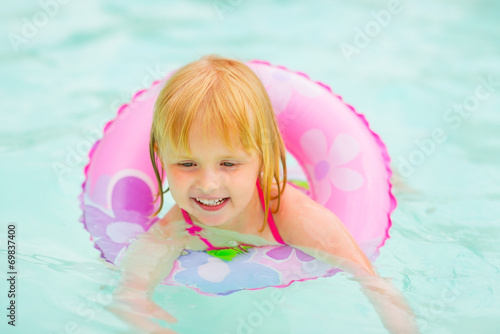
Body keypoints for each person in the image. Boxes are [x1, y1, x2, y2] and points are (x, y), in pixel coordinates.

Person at [107, 55, 420, 334]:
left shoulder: (292, 216)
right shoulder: (176, 227)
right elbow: (129, 294)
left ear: (261, 157)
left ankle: (391, 177)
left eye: (228, 163)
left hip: (304, 190)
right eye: (187, 164)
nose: (208, 184)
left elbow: (373, 282)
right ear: (162, 159)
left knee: (395, 188)